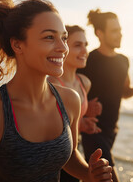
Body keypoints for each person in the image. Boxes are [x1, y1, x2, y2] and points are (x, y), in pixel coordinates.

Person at [0, 0, 113, 182]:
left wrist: (89, 173)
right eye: (49, 37)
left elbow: (68, 158)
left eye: (63, 37)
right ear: (18, 45)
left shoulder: (70, 100)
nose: (63, 48)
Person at [78, 9, 133, 182]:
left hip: (111, 130)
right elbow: (69, 90)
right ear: (100, 34)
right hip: (93, 130)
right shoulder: (88, 60)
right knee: (109, 178)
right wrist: (83, 108)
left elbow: (123, 92)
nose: (120, 35)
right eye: (114, 31)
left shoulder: (123, 60)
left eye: (120, 30)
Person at [48, 25, 102, 182]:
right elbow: (48, 128)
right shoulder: (52, 83)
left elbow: (75, 115)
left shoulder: (84, 83)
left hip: (74, 152)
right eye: (77, 45)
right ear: (63, 47)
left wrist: (89, 110)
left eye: (86, 45)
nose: (84, 51)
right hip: (54, 159)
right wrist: (81, 124)